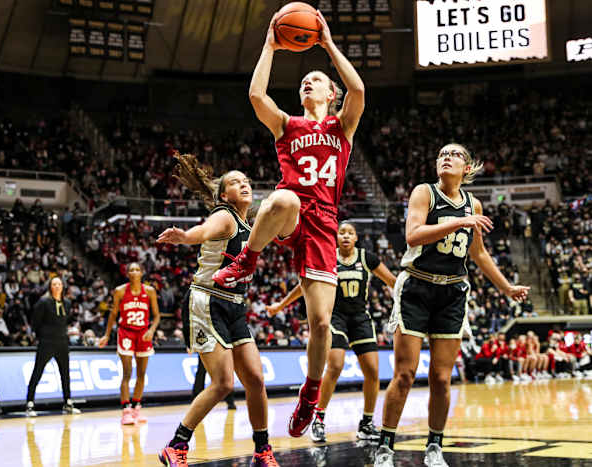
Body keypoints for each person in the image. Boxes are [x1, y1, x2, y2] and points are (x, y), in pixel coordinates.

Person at [211, 9, 365, 438]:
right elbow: (257, 96)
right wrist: (270, 46)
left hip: (325, 226)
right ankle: (247, 259)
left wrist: (328, 44)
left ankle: (310, 394)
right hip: (292, 215)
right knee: (281, 195)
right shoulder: (288, 124)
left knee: (320, 324)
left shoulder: (341, 125)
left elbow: (359, 87)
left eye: (315, 79)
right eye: (304, 80)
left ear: (330, 93)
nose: (307, 82)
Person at [375, 143, 530, 467]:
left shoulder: (472, 203)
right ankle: (385, 446)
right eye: (441, 154)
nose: (446, 157)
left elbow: (479, 254)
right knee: (404, 374)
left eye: (454, 154)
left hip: (452, 293)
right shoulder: (425, 193)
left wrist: (506, 287)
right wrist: (459, 222)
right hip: (416, 286)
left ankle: (434, 446)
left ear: (467, 167)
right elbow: (413, 236)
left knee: (442, 379)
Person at [156, 153, 279, 467]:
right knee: (223, 383)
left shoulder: (248, 224)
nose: (244, 185)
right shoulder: (224, 215)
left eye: (246, 181)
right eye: (236, 182)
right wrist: (186, 237)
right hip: (208, 300)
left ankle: (263, 449)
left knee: (255, 378)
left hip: (235, 305)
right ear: (224, 194)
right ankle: (176, 445)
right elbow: (205, 230)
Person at [266, 222, 396, 443]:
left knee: (373, 371)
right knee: (334, 365)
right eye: (341, 232)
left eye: (350, 233)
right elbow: (305, 286)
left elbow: (392, 281)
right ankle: (319, 418)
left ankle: (366, 424)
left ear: (356, 238)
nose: (345, 236)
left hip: (360, 317)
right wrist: (280, 305)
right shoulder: (328, 257)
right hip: (335, 317)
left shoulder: (367, 258)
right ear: (336, 238)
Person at [99, 262, 161, 425]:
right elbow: (113, 314)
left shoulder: (149, 291)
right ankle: (126, 411)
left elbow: (157, 316)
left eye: (137, 269)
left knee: (141, 374)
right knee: (127, 373)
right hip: (125, 333)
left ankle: (136, 408)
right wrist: (106, 335)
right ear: (127, 274)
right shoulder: (120, 291)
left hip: (143, 334)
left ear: (142, 273)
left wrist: (151, 330)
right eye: (131, 269)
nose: (134, 272)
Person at [25, 277, 80, 416]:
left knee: (65, 373)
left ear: (63, 286)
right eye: (54, 284)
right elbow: (35, 322)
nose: (57, 286)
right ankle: (29, 403)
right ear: (50, 287)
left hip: (62, 342)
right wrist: (41, 336)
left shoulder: (67, 303)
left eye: (59, 284)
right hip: (46, 342)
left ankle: (67, 402)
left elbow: (66, 321)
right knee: (38, 371)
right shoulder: (43, 302)